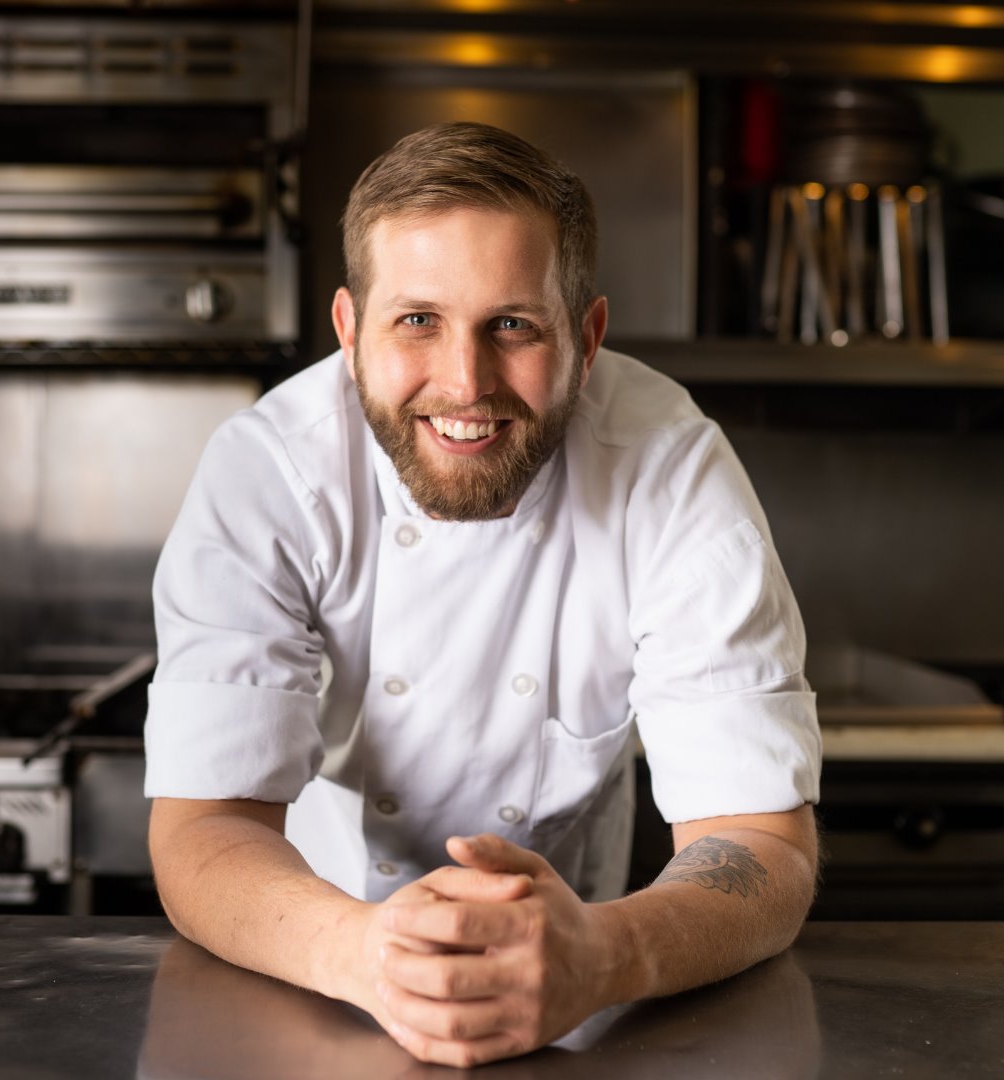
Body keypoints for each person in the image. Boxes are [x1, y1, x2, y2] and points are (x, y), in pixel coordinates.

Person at [144, 121, 822, 1069]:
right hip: (305, 972)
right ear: (350, 330)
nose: (465, 384)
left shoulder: (668, 471)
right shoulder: (270, 473)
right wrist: (365, 953)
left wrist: (608, 953)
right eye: (418, 320)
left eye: (513, 325)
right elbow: (204, 825)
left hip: (581, 986)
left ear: (587, 337)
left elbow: (761, 841)